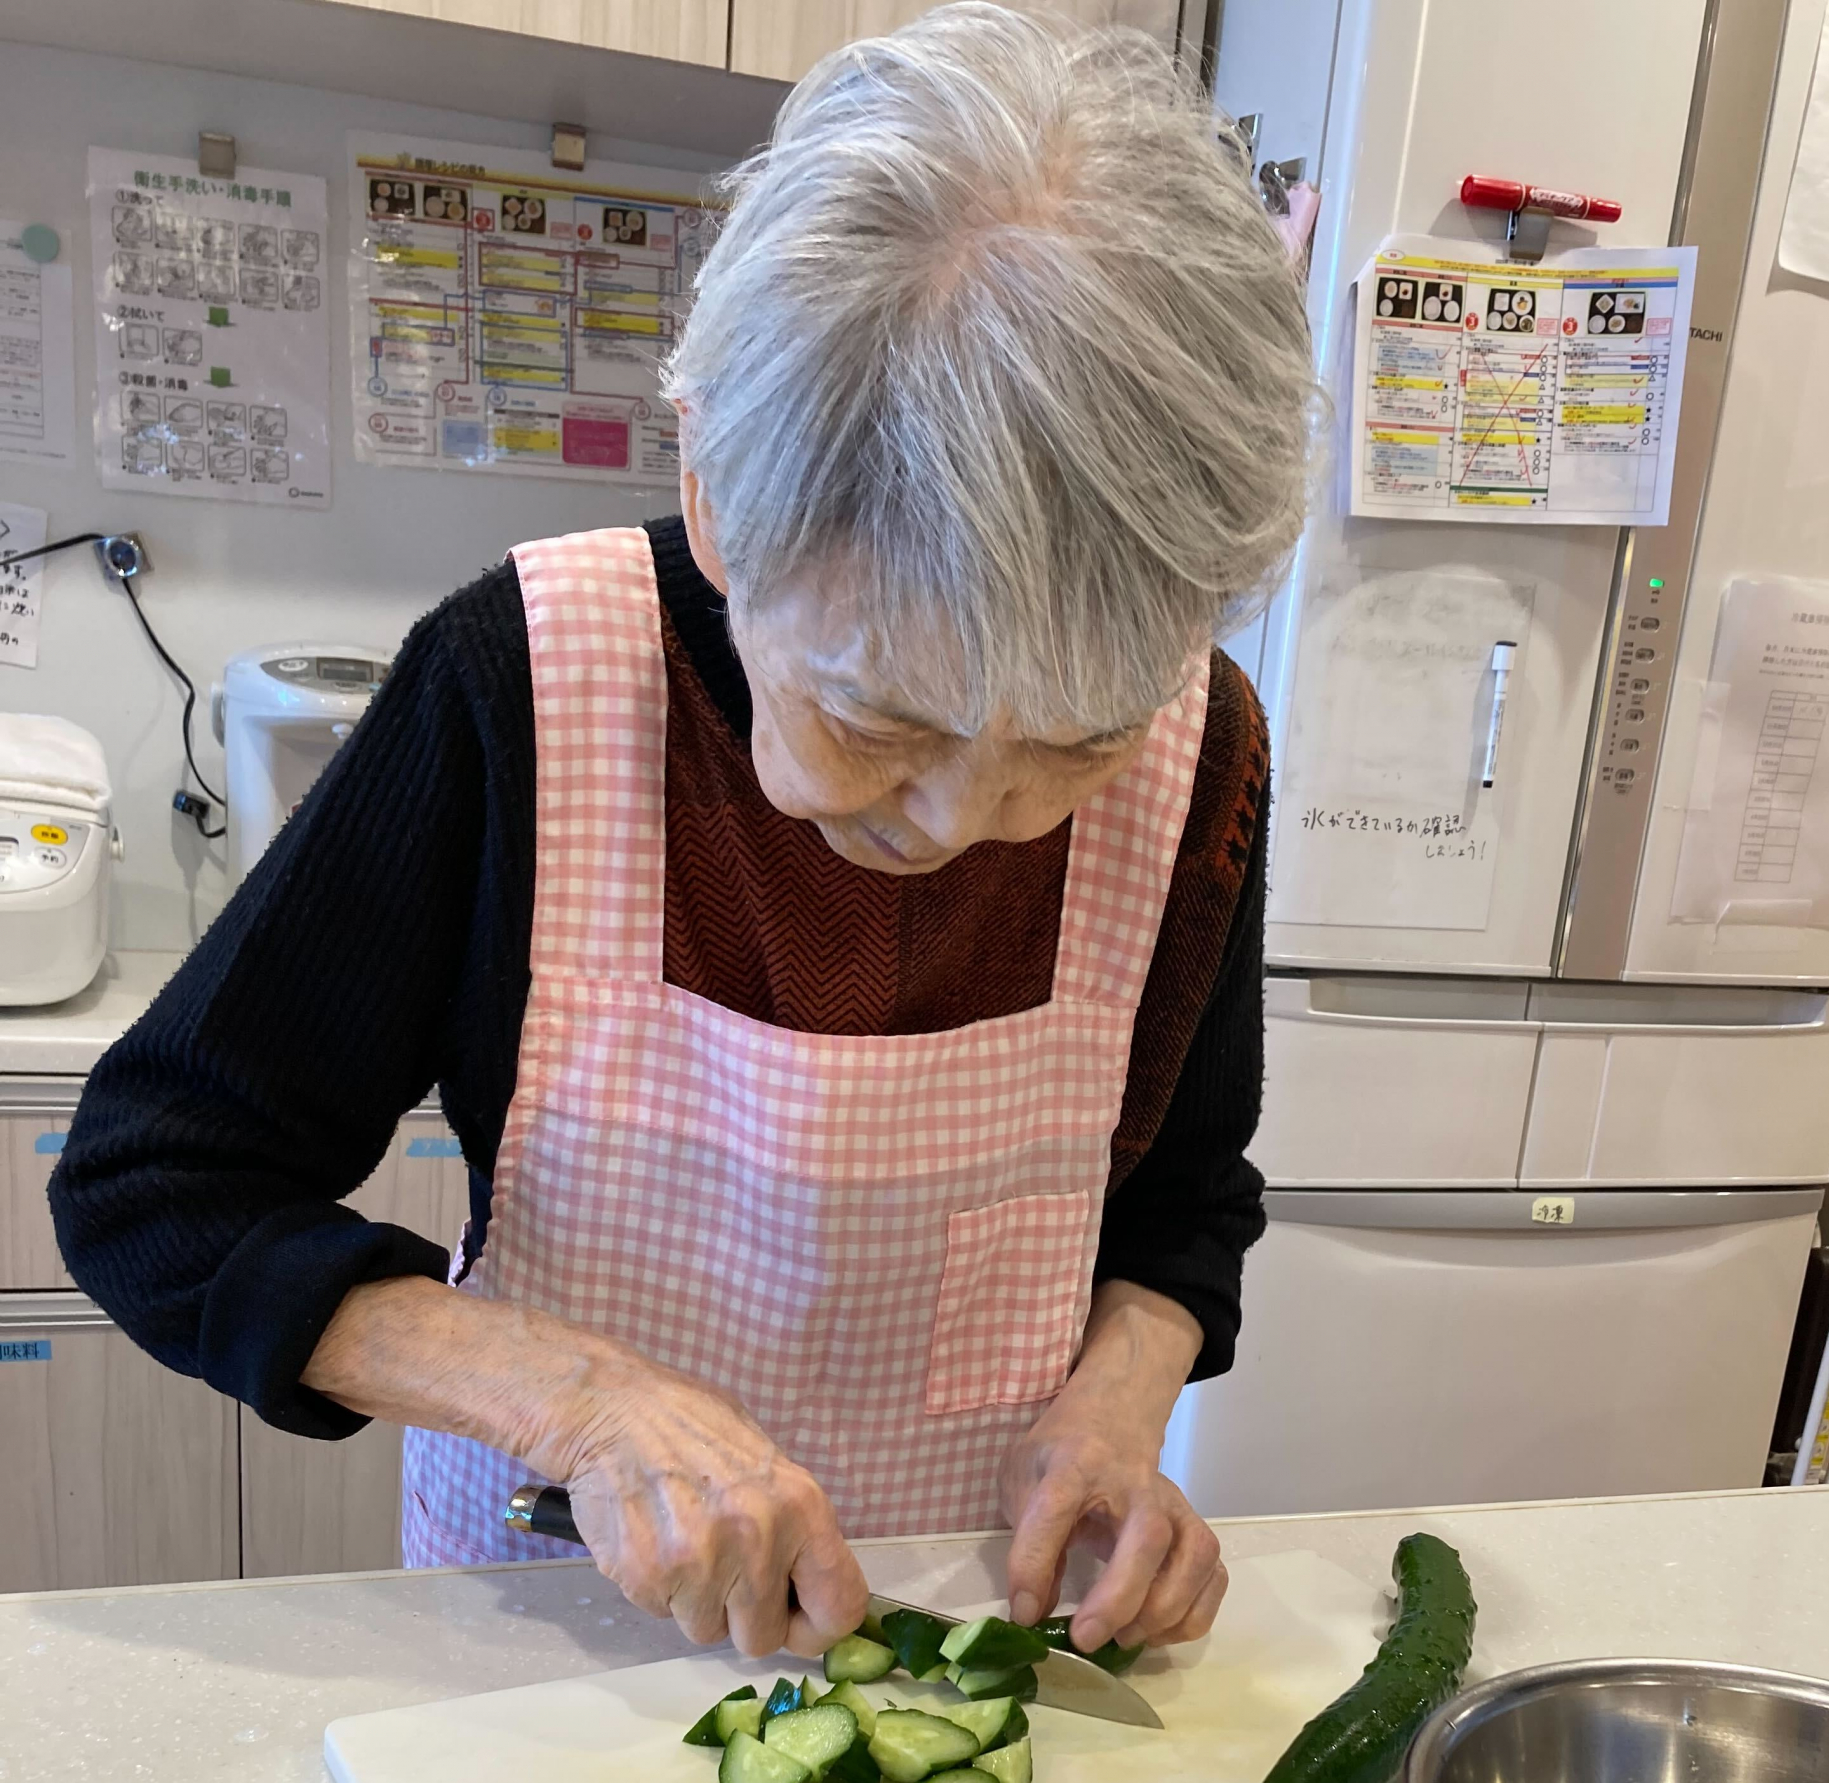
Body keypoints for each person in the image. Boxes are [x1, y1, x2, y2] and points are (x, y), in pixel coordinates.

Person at [52, 3, 1314, 1663]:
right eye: (879, 719)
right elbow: (157, 1187)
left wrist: (1117, 1408)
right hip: (551, 1621)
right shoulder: (525, 681)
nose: (967, 823)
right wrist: (575, 1400)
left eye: (1075, 745)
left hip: (962, 1631)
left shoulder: (1202, 746)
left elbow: (1182, 1202)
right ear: (717, 499)